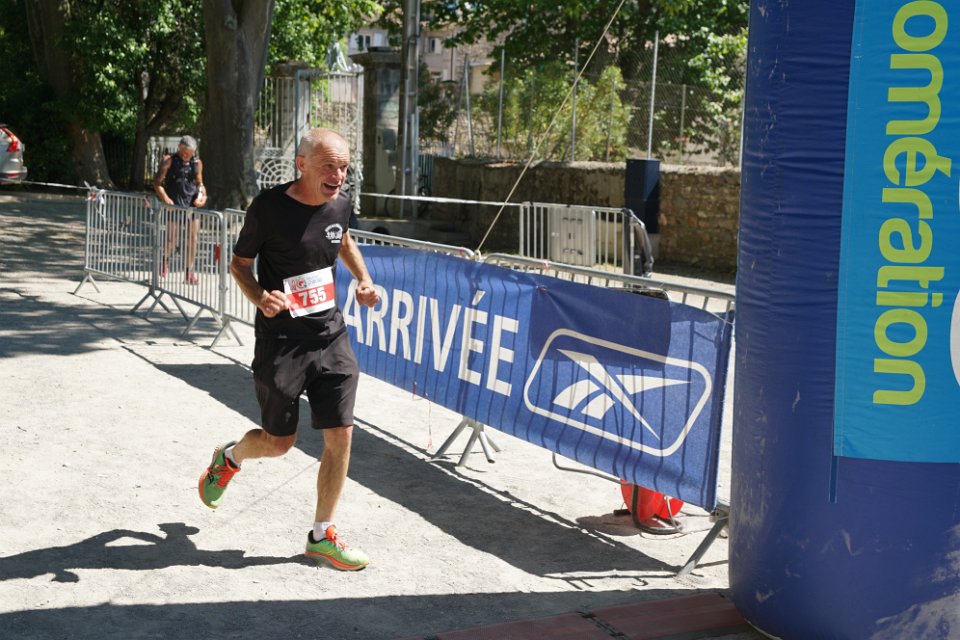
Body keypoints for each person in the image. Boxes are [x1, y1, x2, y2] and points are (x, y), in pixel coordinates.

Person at [198, 128, 380, 571]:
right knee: (279, 443)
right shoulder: (268, 208)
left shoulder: (341, 203)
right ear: (301, 165)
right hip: (281, 341)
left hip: (330, 335)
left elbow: (343, 239)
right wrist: (261, 297)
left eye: (344, 167)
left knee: (341, 433)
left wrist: (363, 279)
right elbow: (239, 265)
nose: (338, 175)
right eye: (329, 166)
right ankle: (230, 458)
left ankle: (321, 534)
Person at [153, 135, 207, 284]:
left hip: (191, 207)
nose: (185, 156)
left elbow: (200, 184)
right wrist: (165, 198)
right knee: (172, 239)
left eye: (188, 153)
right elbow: (157, 183)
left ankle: (189, 272)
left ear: (193, 152)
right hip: (174, 206)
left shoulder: (197, 163)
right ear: (179, 148)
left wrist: (203, 197)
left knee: (192, 240)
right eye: (183, 152)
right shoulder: (169, 160)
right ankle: (165, 259)